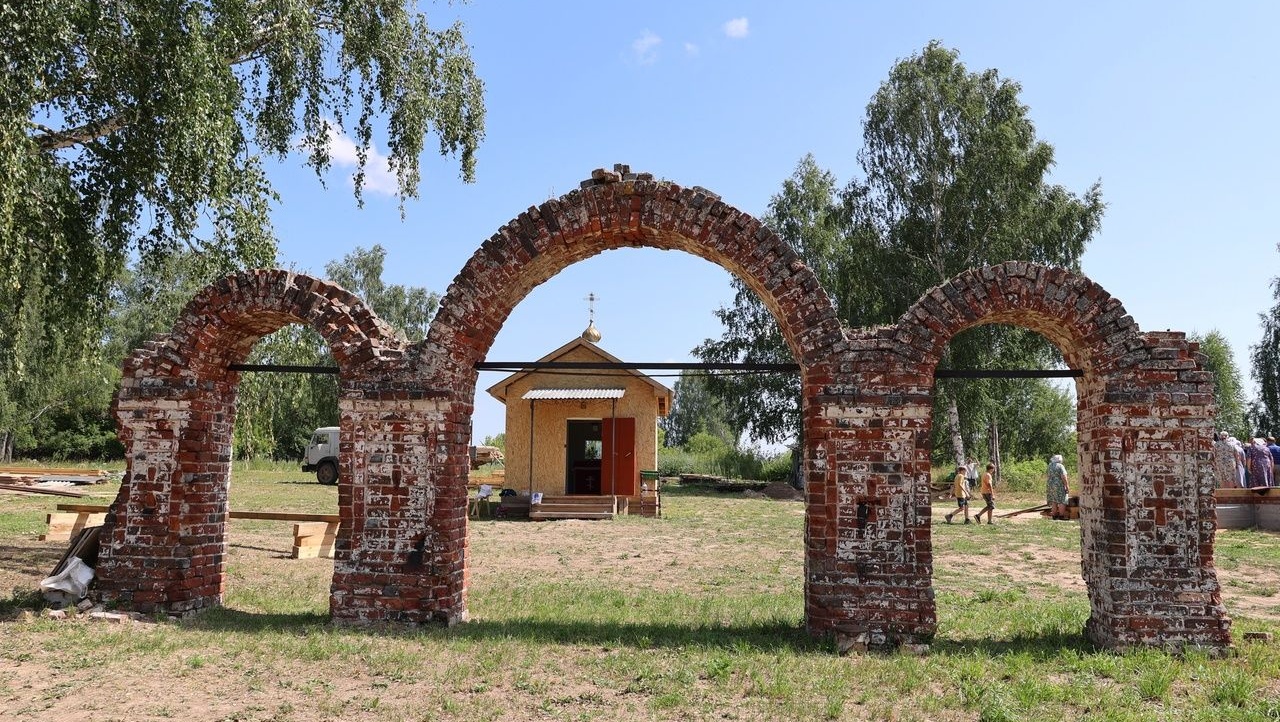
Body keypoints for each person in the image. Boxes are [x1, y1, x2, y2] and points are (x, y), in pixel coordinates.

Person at [1046, 454, 1070, 520]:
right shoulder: (1060, 466)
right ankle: (1061, 516)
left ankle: (1054, 516)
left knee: (1054, 500)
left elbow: (1047, 475)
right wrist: (1067, 485)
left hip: (1050, 485)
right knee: (1063, 499)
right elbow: (1063, 476)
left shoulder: (1050, 465)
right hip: (1059, 485)